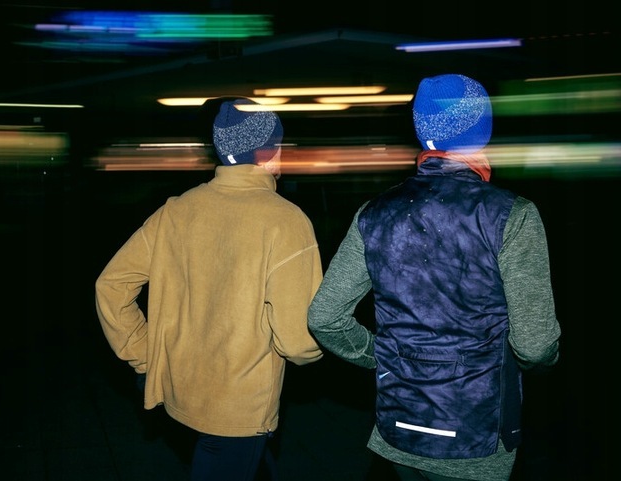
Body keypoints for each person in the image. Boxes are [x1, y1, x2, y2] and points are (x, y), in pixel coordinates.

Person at [307, 74, 561, 481]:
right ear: (481, 132)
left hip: (399, 426)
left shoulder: (374, 213)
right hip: (476, 433)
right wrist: (545, 364)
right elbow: (534, 344)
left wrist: (383, 357)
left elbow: (325, 318)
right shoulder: (512, 215)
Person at [95, 97, 324, 481]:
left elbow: (112, 285)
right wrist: (321, 350)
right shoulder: (286, 221)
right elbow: (297, 341)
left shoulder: (175, 211)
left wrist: (146, 356)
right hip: (239, 407)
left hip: (179, 393)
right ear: (267, 151)